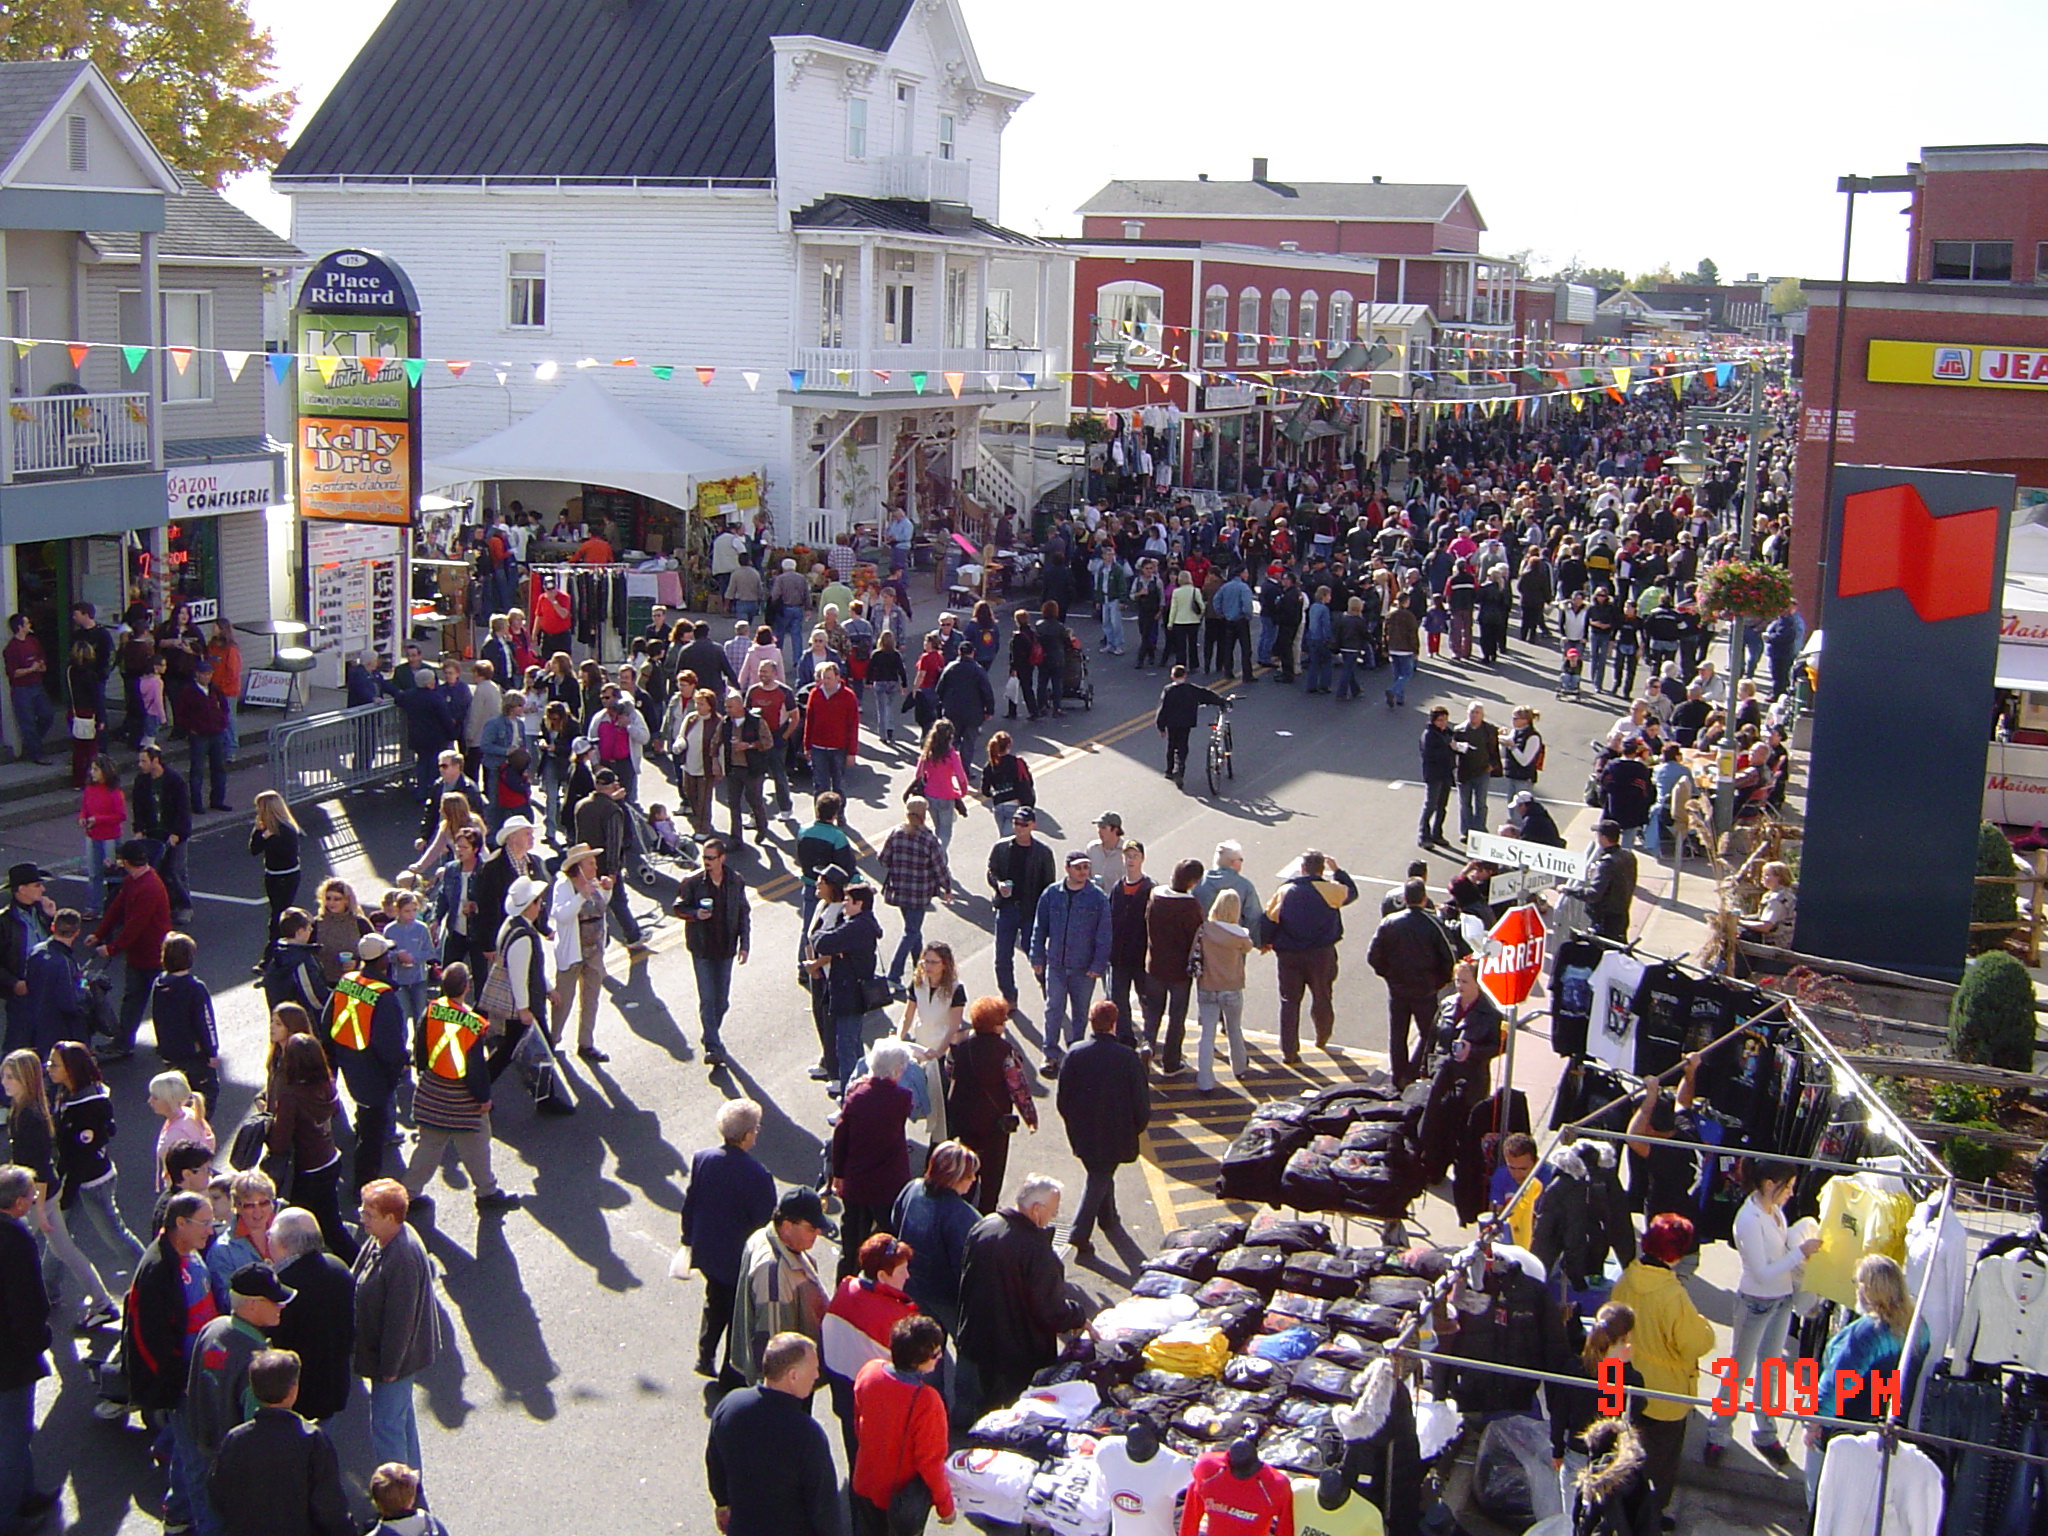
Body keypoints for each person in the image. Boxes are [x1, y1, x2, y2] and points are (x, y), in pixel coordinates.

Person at [1704, 1160, 1819, 1471]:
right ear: (1770, 1185)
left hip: (1780, 1301)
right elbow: (1761, 1271)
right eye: (1788, 1186)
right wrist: (1800, 1253)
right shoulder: (1749, 1220)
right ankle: (1717, 1432)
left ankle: (1765, 1433)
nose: (1792, 1194)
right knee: (1737, 1370)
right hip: (1756, 1302)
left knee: (1770, 1370)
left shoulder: (1773, 1212)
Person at [1609, 1213, 1716, 1525]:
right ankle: (1649, 1518)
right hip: (1665, 1393)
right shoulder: (1672, 1295)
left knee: (1623, 1454)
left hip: (1622, 1382)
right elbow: (1695, 1343)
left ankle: (1622, 1513)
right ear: (1677, 1254)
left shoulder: (1626, 1278)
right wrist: (1704, 1326)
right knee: (1660, 1463)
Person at [122, 1192, 220, 1525]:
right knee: (197, 1462)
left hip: (199, 1373)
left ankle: (178, 1513)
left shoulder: (189, 1253)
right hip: (184, 1383)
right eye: (205, 1223)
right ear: (181, 1223)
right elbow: (150, 1341)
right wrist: (179, 1384)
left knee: (186, 1451)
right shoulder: (158, 1271)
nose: (211, 1230)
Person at [957, 1174, 1086, 1412]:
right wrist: (1078, 1316)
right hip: (1019, 1352)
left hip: (981, 1339)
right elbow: (1051, 1310)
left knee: (989, 1404)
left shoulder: (985, 1225)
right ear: (1037, 1209)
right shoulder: (1036, 1250)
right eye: (1053, 1211)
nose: (1053, 1218)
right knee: (1021, 1408)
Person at [1805, 1253, 1923, 1507]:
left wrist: (1814, 1423)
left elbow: (1837, 1384)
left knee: (1823, 1502)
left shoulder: (1867, 1332)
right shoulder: (1917, 1327)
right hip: (1886, 1428)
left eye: (1857, 1282)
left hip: (1846, 1430)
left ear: (1869, 1289)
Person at [405, 963, 522, 1217]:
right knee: (477, 1144)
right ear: (466, 987)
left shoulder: (431, 1010)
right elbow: (475, 1067)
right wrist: (483, 1098)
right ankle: (487, 1192)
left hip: (432, 1091)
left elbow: (420, 1047)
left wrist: (425, 1073)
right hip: (462, 1098)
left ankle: (409, 1194)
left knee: (428, 1146)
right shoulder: (472, 1023)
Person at [706, 1333, 844, 1536]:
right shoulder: (806, 1434)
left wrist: (722, 1503)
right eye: (814, 1368)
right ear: (793, 1375)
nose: (817, 1375)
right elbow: (824, 1507)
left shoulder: (730, 1405)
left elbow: (714, 1461)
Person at [207, 1349, 355, 1536]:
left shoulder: (235, 1439)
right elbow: (329, 1505)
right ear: (293, 1390)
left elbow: (217, 1493)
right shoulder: (312, 1440)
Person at [680, 1099, 777, 1381]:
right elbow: (764, 1224)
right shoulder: (758, 1175)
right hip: (737, 1260)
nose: (757, 1133)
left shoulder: (703, 1159)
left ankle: (705, 1354)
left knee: (714, 1302)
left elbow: (691, 1202)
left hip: (709, 1251)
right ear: (746, 1135)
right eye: (756, 1129)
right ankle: (730, 1372)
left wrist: (688, 1238)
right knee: (738, 1316)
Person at [352, 1180, 438, 1478]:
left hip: (393, 1362)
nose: (363, 1219)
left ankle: (396, 1492)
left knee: (387, 1429)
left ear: (391, 1217)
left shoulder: (401, 1257)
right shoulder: (383, 1238)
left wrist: (389, 1366)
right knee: (401, 1422)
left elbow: (400, 1321)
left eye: (369, 1214)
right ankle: (411, 1484)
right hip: (392, 1358)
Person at [1056, 1001, 1148, 1258]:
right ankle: (1079, 1231)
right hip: (1116, 1132)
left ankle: (1108, 1217)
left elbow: (1063, 1100)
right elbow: (1140, 1102)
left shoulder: (1075, 1053)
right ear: (1114, 1024)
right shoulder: (1127, 1057)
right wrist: (1136, 1128)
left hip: (1083, 1131)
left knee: (1100, 1172)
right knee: (1100, 1174)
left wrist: (1073, 1123)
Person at [850, 1314, 955, 1536]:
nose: (939, 1359)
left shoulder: (870, 1371)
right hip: (899, 1499)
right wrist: (946, 1507)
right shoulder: (927, 1401)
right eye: (935, 1354)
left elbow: (859, 1424)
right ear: (918, 1361)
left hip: (865, 1482)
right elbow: (931, 1462)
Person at [48, 1041, 145, 1279]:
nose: (48, 1067)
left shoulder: (88, 1107)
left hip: (92, 1182)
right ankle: (46, 1288)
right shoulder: (66, 1093)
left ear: (71, 1070)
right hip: (69, 1179)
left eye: (54, 1064)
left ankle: (151, 1276)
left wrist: (66, 1194)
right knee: (56, 1238)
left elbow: (82, 1156)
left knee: (116, 1237)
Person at [325, 931, 407, 1192]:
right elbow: (390, 1044)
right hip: (372, 1071)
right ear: (382, 960)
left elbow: (328, 1020)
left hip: (347, 1059)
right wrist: (398, 1069)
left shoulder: (347, 981)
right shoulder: (384, 996)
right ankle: (365, 1185)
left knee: (367, 1118)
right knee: (373, 1136)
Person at [729, 1189, 834, 1386]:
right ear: (786, 1226)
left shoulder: (764, 1236)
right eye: (811, 1228)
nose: (818, 1233)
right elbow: (774, 1344)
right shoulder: (774, 1273)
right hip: (790, 1383)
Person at [265, 1034, 354, 1261]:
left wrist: (268, 1124)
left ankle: (357, 1267)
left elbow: (279, 1143)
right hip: (330, 1160)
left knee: (306, 1230)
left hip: (306, 1172)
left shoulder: (291, 1096)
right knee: (330, 1224)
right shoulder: (326, 1084)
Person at [1264, 850, 1358, 1063]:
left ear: (1303, 868)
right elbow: (1352, 892)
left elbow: (1269, 918)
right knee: (1322, 995)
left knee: (1289, 1002)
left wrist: (1266, 942)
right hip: (1321, 954)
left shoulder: (1285, 890)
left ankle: (1289, 1051)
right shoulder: (1330, 890)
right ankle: (1322, 1036)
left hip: (1289, 956)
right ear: (1321, 869)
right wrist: (1339, 872)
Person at [945, 998, 1036, 1216]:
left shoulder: (960, 1047)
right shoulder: (1005, 1051)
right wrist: (1030, 1117)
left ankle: (963, 1213)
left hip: (965, 1119)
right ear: (996, 1026)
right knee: (992, 1175)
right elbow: (1018, 1087)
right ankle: (986, 1214)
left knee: (966, 1168)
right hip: (994, 1123)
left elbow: (950, 1072)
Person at [830, 1040, 915, 1272]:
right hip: (889, 1185)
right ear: (896, 1069)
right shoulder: (902, 1098)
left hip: (857, 1181)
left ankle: (845, 1287)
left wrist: (838, 1174)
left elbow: (840, 1137)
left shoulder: (855, 1096)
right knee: (889, 1241)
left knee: (852, 1242)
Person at [0, 1163, 53, 1530]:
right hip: (10, 1358)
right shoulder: (17, 1240)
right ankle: (7, 1517)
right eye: (32, 1195)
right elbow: (28, 1301)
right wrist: (39, 1340)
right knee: (13, 1439)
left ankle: (26, 1493)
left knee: (18, 1433)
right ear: (19, 1203)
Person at [1366, 877, 1458, 1089]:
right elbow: (1448, 958)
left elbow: (1373, 956)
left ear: (1405, 898)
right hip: (1425, 990)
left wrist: (1389, 976)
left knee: (1398, 1034)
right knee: (1428, 1033)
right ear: (1424, 899)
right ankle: (1415, 1070)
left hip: (1398, 989)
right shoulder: (1433, 923)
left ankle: (1398, 1076)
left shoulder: (1389, 922)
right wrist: (1438, 983)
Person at [267, 1209, 356, 1422]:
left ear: (283, 1244)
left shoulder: (283, 1288)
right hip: (334, 1384)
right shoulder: (338, 1267)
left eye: (270, 1234)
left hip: (297, 1395)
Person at [1030, 852, 1112, 1076]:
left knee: (1080, 1012)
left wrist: (1098, 965)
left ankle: (1075, 1052)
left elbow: (1104, 934)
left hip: (1084, 968)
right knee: (1053, 1008)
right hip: (1055, 964)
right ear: (1067, 869)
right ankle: (1051, 1054)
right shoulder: (1051, 894)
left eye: (1086, 867)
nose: (1083, 872)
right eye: (1078, 868)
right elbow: (1040, 927)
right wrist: (1037, 957)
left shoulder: (1097, 898)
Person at [888, 1140, 981, 1338]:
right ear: (953, 1178)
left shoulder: (912, 1189)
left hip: (912, 1286)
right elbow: (967, 1267)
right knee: (968, 1346)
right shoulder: (963, 1215)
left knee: (923, 1350)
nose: (973, 1179)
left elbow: (895, 1220)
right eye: (969, 1175)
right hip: (947, 1298)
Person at [809, 882, 883, 1098]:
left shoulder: (856, 927)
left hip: (848, 994)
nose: (844, 904)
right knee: (854, 1046)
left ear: (859, 903)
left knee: (846, 1049)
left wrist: (828, 941)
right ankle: (862, 1093)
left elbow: (822, 941)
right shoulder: (859, 924)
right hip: (852, 993)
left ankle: (849, 1099)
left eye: (848, 901)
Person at [985, 805, 1054, 1006]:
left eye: (1024, 824)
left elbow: (1048, 886)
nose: (1019, 828)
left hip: (1030, 910)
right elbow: (992, 870)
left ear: (1033, 825)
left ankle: (1047, 987)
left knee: (1035, 953)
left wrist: (1046, 917)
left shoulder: (1042, 853)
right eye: (1016, 823)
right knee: (1002, 957)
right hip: (1007, 908)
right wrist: (998, 885)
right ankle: (1009, 997)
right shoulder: (1001, 848)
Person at [898, 943, 967, 1141]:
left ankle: (940, 1143)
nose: (928, 966)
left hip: (941, 1054)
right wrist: (898, 1037)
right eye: (925, 961)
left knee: (940, 1103)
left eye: (933, 962)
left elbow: (954, 1026)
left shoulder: (956, 989)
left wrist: (939, 1052)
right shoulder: (918, 983)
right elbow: (908, 1015)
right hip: (919, 1049)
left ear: (944, 964)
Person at [881, 801, 951, 993]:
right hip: (919, 894)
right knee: (911, 931)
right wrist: (947, 887)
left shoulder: (896, 833)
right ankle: (894, 976)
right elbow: (940, 868)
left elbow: (883, 859)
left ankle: (918, 968)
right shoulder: (929, 839)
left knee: (913, 929)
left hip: (899, 891)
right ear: (924, 814)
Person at [1144, 857, 1205, 1070]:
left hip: (1155, 966)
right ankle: (1171, 1062)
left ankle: (1147, 1046)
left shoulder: (1156, 896)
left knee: (1152, 1013)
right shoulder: (1190, 906)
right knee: (1176, 1017)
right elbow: (1197, 937)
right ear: (1192, 882)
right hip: (1179, 971)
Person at [1556, 820, 1638, 941]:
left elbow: (1593, 894)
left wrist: (1568, 890)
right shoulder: (1629, 856)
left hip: (1605, 920)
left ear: (1604, 838)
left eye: (1598, 835)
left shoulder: (1607, 863)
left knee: (1604, 952)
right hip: (1622, 914)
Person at [1153, 664, 1227, 787]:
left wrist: (1161, 726)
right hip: (1186, 722)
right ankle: (1180, 770)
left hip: (1172, 723)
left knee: (1172, 745)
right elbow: (1206, 695)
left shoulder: (1168, 690)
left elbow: (1162, 709)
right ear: (1185, 676)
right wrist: (1221, 701)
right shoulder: (1190, 689)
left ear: (1172, 676)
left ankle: (1169, 770)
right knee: (1183, 746)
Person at [175, 660, 233, 812]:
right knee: (197, 770)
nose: (207, 677)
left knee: (219, 768)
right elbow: (181, 714)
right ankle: (197, 804)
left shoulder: (215, 690)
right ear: (197, 674)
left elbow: (225, 708)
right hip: (199, 735)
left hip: (217, 733)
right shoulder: (189, 692)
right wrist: (191, 728)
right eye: (204, 674)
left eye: (209, 674)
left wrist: (222, 723)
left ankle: (217, 800)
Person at [802, 662, 860, 799]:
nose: (825, 681)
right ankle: (821, 818)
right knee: (820, 786)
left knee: (838, 787)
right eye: (823, 678)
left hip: (839, 748)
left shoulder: (848, 696)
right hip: (818, 747)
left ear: (838, 677)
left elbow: (853, 725)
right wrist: (807, 746)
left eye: (829, 678)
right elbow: (809, 721)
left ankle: (839, 817)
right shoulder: (815, 694)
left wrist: (852, 752)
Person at [1450, 701, 1502, 841]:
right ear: (1467, 713)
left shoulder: (1489, 730)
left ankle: (1479, 829)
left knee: (1481, 803)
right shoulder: (1459, 730)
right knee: (1464, 804)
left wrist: (1492, 765)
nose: (1474, 715)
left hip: (1483, 771)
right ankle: (1466, 831)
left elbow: (1494, 750)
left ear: (1482, 715)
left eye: (1477, 712)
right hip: (1464, 772)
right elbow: (1453, 750)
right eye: (1472, 712)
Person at [1417, 706, 1456, 850]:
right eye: (1440, 720)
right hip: (1434, 775)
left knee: (1442, 806)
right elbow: (1430, 755)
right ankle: (1424, 836)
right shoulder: (1429, 735)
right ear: (1433, 720)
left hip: (1446, 773)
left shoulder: (1446, 732)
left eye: (1445, 719)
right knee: (1431, 805)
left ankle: (1437, 833)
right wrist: (1449, 747)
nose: (1443, 723)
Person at [1193, 840, 1259, 919]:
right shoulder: (1245, 886)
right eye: (1241, 859)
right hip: (1233, 930)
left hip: (1203, 930)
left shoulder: (1199, 880)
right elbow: (1253, 917)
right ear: (1234, 862)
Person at [1739, 861, 1798, 946]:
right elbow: (1762, 917)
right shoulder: (1786, 892)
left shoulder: (1777, 898)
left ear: (1779, 877)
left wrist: (1740, 922)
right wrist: (1743, 918)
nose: (1763, 878)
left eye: (1767, 875)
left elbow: (1765, 926)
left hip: (1774, 943)